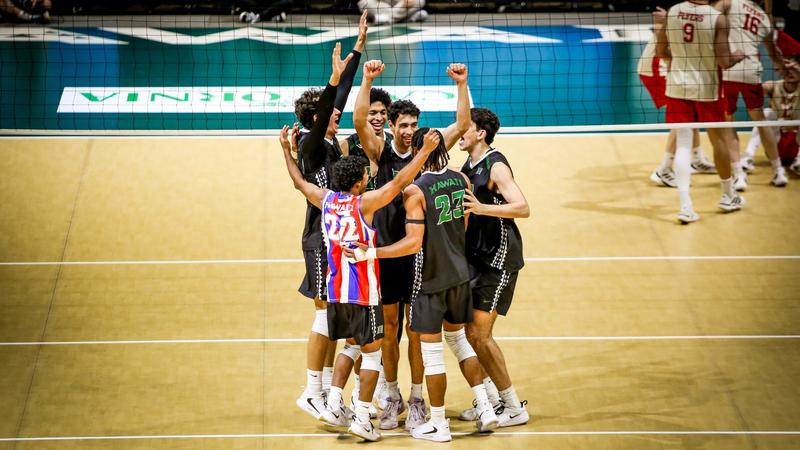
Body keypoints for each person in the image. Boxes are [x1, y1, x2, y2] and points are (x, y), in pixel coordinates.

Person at [279, 125, 442, 441]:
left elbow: (299, 182)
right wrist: (423, 152)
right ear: (357, 184)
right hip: (364, 294)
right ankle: (364, 418)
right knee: (371, 356)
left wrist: (287, 151)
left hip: (336, 292)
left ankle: (334, 402)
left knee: (350, 345)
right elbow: (399, 182)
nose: (370, 179)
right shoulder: (363, 204)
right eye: (366, 177)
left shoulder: (324, 199)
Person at [348, 128, 501, 442]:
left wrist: (371, 253)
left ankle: (439, 424)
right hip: (460, 275)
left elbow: (413, 243)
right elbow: (463, 225)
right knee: (460, 343)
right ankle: (486, 408)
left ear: (418, 152)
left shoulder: (415, 191)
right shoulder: (462, 179)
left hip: (430, 281)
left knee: (432, 354)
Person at [348, 60, 472, 431]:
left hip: (420, 257)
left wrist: (461, 85)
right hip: (387, 253)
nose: (409, 131)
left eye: (413, 125)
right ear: (390, 126)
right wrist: (367, 79)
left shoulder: (428, 149)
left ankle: (418, 397)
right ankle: (391, 394)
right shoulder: (380, 152)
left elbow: (463, 125)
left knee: (418, 331)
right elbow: (357, 122)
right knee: (389, 328)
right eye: (402, 125)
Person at [292, 21, 365, 420]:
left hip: (336, 238)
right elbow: (326, 111)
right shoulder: (310, 144)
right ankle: (312, 390)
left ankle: (322, 390)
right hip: (320, 240)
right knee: (324, 313)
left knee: (336, 313)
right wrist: (333, 82)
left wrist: (355, 51)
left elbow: (341, 94)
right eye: (330, 112)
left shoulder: (329, 143)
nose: (336, 115)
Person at [456, 107, 531, 428]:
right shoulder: (468, 164)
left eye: (466, 128)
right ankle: (490, 401)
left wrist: (482, 207)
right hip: (476, 256)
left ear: (481, 133)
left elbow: (523, 207)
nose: (461, 132)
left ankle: (513, 407)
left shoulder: (496, 165)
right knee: (470, 333)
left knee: (479, 334)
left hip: (499, 258)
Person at [654, 1, 746, 224]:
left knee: (683, 143)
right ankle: (727, 196)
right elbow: (724, 62)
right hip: (706, 88)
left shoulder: (673, 10)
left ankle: (686, 207)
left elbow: (660, 51)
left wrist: (679, 59)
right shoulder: (717, 18)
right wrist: (738, 56)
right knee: (718, 140)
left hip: (677, 86)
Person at [720, 0, 787, 189]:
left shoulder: (732, 3)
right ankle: (778, 171)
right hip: (752, 71)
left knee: (728, 121)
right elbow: (774, 54)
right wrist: (783, 67)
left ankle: (739, 175)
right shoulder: (765, 18)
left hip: (728, 69)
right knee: (760, 120)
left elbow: (710, 14)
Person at [639, 35, 717, 188]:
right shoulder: (691, 16)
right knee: (682, 119)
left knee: (689, 112)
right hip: (659, 67)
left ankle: (697, 159)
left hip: (674, 65)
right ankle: (664, 170)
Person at [743, 56, 800, 175]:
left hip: (796, 144)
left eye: (793, 69)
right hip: (776, 145)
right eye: (786, 69)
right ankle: (747, 157)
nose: (790, 72)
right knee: (766, 113)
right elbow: (753, 90)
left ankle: (799, 161)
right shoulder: (773, 86)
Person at [358, 0, 428, 25]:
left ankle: (387, 18)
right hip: (381, 4)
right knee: (363, 3)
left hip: (401, 4)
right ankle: (406, 18)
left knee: (420, 0)